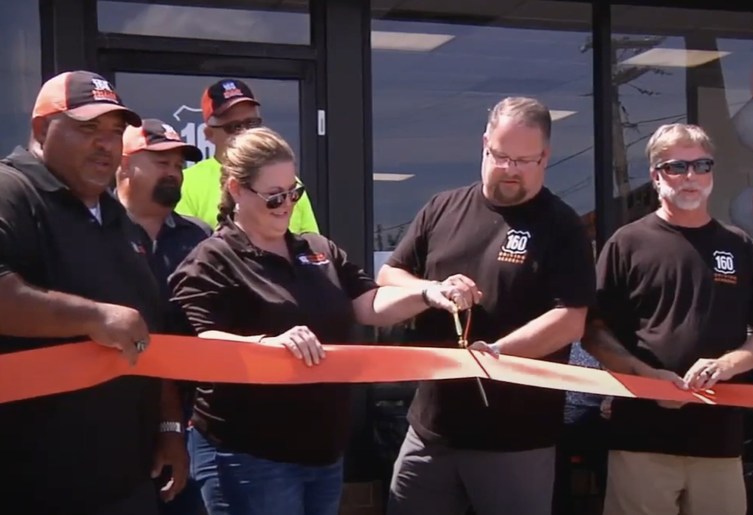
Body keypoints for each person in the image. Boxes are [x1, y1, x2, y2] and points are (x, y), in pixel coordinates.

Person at [168, 127, 462, 515]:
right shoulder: (212, 260)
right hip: (250, 454)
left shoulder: (318, 249)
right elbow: (199, 344)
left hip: (322, 452)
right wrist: (268, 345)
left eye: (294, 192)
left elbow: (369, 303)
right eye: (274, 196)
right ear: (236, 190)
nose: (286, 204)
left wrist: (427, 293)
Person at [378, 96, 596, 515]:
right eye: (501, 156)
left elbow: (570, 319)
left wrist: (497, 355)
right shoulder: (443, 208)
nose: (511, 168)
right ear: (484, 145)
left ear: (545, 157)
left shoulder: (561, 225)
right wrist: (430, 290)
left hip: (515, 439)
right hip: (432, 430)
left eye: (524, 160)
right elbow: (389, 277)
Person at [0, 70, 186, 514]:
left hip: (127, 480)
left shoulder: (116, 215)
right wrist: (92, 317)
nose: (106, 143)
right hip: (32, 483)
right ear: (44, 129)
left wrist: (169, 426)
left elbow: (147, 332)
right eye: (88, 129)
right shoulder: (12, 191)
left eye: (115, 132)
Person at [581, 123, 753, 515]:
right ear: (656, 177)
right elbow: (592, 330)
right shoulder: (627, 243)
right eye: (677, 167)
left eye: (701, 165)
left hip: (718, 439)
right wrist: (645, 376)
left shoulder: (736, 244)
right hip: (641, 438)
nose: (690, 177)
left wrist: (727, 364)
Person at [116, 118, 212, 515]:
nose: (174, 172)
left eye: (178, 165)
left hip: (194, 415)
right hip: (116, 411)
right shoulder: (97, 230)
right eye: (161, 163)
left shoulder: (201, 237)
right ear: (123, 165)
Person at [175, 79, 319, 234]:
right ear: (209, 134)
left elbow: (312, 245)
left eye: (252, 124)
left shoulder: (288, 183)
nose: (245, 132)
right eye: (234, 127)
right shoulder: (187, 183)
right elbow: (186, 247)